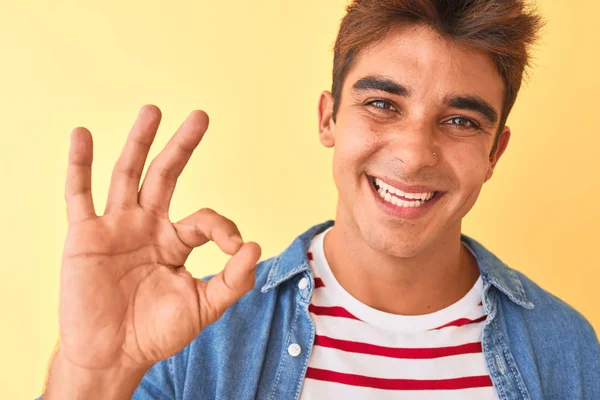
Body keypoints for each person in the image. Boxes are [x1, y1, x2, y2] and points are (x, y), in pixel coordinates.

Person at [40, 0, 600, 399]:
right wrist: (90, 374)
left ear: (495, 153)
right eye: (382, 104)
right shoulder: (192, 336)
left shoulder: (565, 347)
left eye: (459, 120)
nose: (412, 155)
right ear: (328, 117)